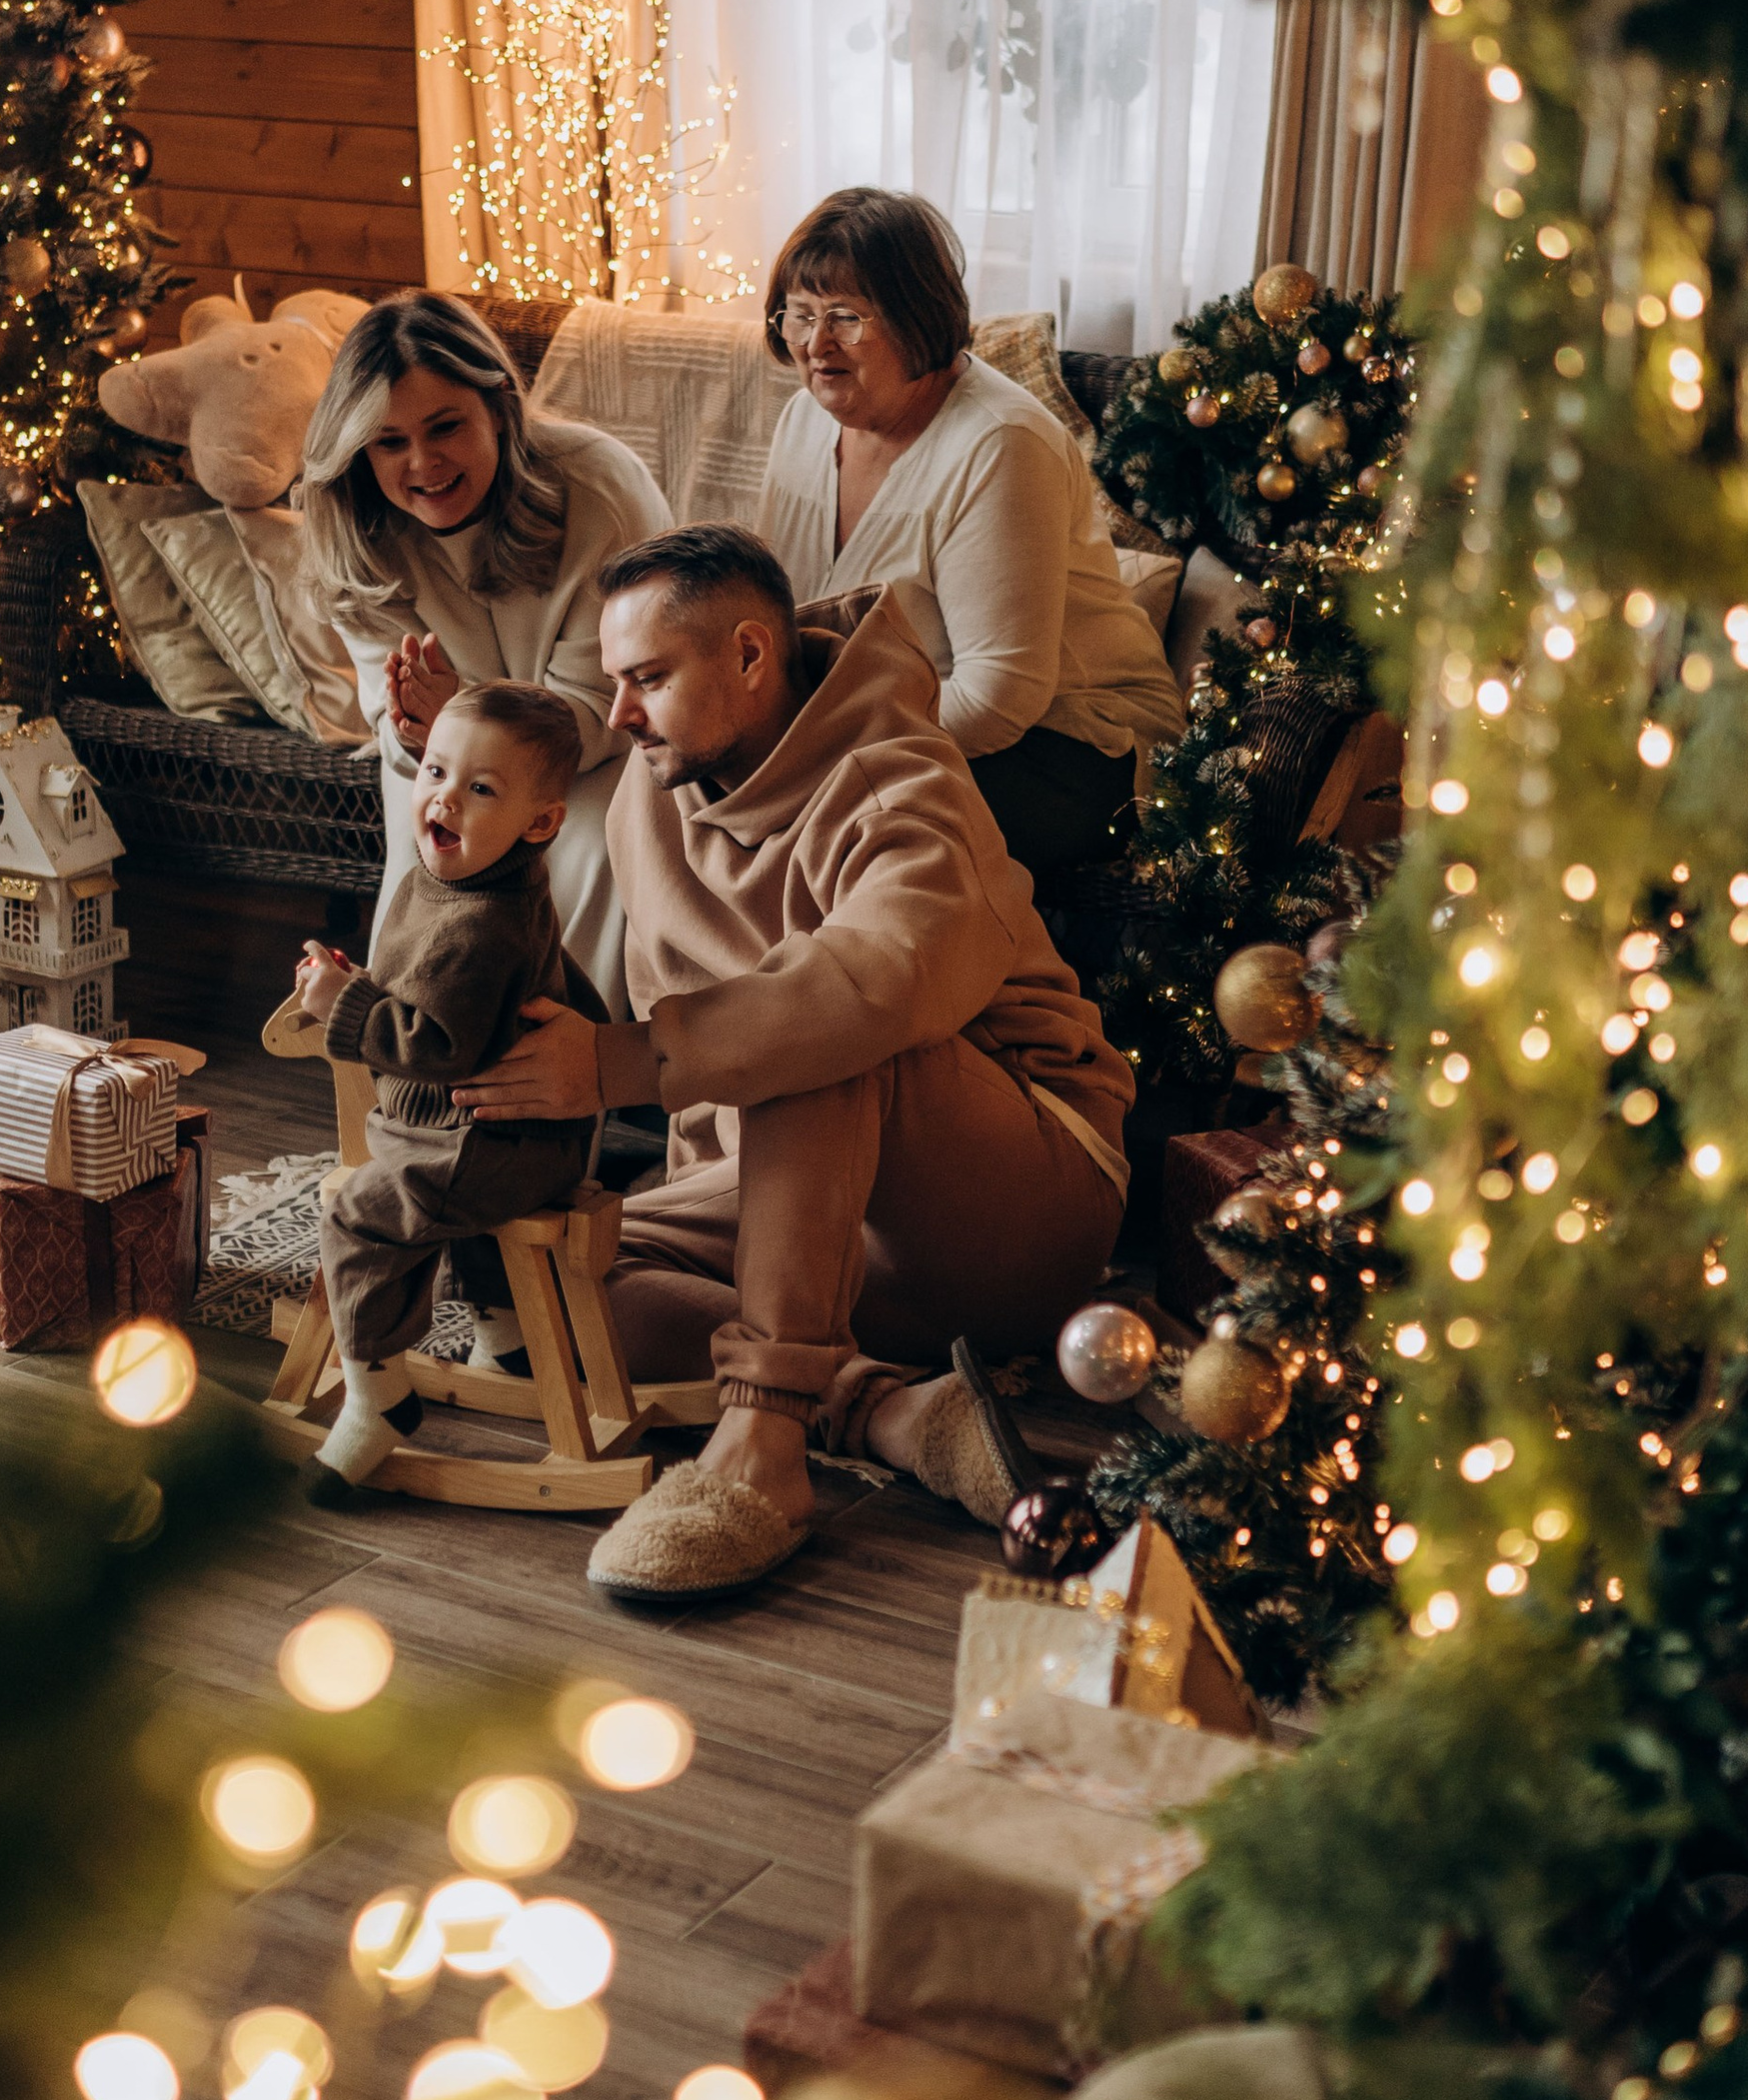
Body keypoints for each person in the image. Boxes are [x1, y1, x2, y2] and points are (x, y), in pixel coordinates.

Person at [452, 526, 1135, 1601]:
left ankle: (765, 1450)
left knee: (813, 1021)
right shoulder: (653, 787)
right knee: (571, 1281)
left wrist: (622, 1062)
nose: (619, 715)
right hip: (814, 1212)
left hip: (1019, 1195)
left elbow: (871, 984)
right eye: (613, 682)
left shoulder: (903, 783)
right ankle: (890, 1410)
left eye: (646, 679)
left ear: (751, 656)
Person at [754, 187, 1181, 883]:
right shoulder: (805, 422)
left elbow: (996, 699)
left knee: (829, 831)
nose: (815, 343)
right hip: (885, 732)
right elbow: (780, 610)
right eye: (800, 315)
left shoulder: (1000, 442)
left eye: (846, 318)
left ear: (917, 316)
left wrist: (823, 751)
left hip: (1071, 748)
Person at [301, 291, 671, 1012]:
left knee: (590, 839)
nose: (423, 463)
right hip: (446, 751)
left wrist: (464, 724)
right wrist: (426, 733)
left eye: (445, 427)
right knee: (431, 832)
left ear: (500, 407)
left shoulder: (597, 486)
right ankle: (407, 1062)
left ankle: (562, 1057)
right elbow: (395, 722)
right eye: (389, 442)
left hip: (605, 750)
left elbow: (612, 702)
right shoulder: (353, 527)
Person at [297, 681, 596, 1486]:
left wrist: (345, 1004)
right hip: (485, 1129)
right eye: (434, 771)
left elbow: (438, 1045)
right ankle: (507, 1341)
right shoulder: (471, 878)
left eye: (481, 789)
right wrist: (364, 985)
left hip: (488, 1136)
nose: (445, 800)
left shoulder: (481, 924)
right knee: (436, 1207)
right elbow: (439, 991)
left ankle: (377, 1394)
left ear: (540, 822)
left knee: (358, 1218)